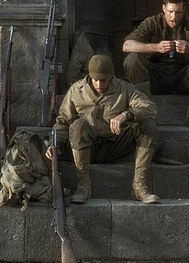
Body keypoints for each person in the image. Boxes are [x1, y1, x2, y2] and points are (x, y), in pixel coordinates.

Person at [47, 54, 160, 204]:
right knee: (78, 126)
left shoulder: (124, 88)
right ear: (89, 76)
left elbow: (150, 107)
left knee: (148, 126)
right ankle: (83, 186)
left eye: (103, 80)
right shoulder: (76, 90)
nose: (99, 84)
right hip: (89, 147)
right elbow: (62, 121)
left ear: (111, 76)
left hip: (116, 144)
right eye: (95, 80)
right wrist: (54, 144)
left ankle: (140, 187)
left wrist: (126, 115)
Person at [122, 0, 189, 129]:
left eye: (178, 12)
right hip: (156, 78)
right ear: (164, 8)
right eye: (170, 12)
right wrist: (156, 47)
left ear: (184, 9)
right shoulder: (152, 22)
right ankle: (147, 111)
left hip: (183, 78)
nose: (173, 17)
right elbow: (127, 45)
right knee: (132, 60)